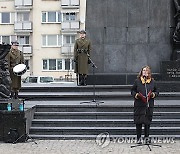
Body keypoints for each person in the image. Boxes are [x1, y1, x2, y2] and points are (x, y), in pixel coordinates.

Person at [131, 66, 159, 143]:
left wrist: (153, 94)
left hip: (148, 104)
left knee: (147, 121)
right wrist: (136, 95)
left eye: (146, 71)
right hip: (139, 104)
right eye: (143, 70)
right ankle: (139, 138)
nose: (145, 72)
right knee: (139, 121)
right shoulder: (137, 81)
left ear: (149, 72)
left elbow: (157, 91)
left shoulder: (152, 81)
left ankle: (146, 138)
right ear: (141, 72)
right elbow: (132, 91)